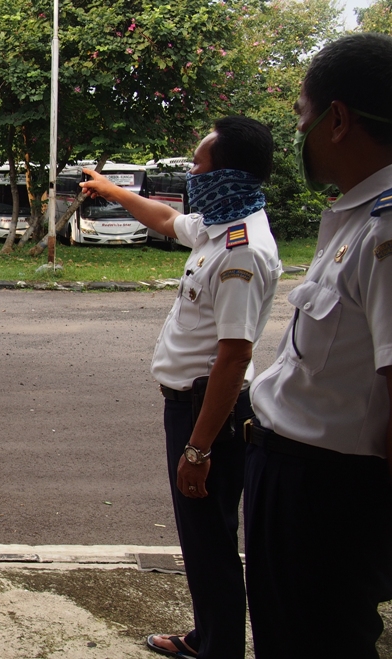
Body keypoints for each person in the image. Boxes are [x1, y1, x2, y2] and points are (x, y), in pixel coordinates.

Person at [80, 116, 280, 659]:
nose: (192, 172)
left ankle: (216, 648)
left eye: (199, 163)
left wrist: (199, 447)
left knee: (209, 540)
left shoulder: (241, 250)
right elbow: (168, 219)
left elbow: (234, 355)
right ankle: (210, 636)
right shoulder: (223, 224)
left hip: (205, 411)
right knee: (204, 538)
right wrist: (110, 188)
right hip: (194, 404)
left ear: (229, 172)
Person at [244, 33, 392, 659]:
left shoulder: (385, 234)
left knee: (318, 640)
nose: (297, 133)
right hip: (300, 483)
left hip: (330, 497)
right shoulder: (357, 220)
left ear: (337, 119)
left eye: (301, 116)